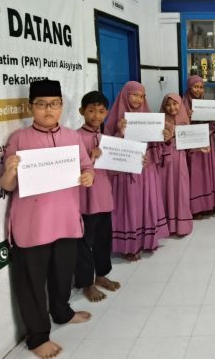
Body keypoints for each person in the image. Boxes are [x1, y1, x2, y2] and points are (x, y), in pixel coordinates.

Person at [0, 79, 94, 359]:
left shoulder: (72, 137)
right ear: (31, 107)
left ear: (62, 106)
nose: (48, 110)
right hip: (33, 225)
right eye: (41, 104)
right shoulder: (19, 139)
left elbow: (87, 167)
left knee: (62, 275)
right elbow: (6, 185)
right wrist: (10, 172)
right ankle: (38, 337)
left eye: (53, 104)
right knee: (31, 282)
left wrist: (88, 176)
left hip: (65, 221)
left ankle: (62, 312)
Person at [105, 82, 169, 260]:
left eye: (141, 96)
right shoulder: (114, 119)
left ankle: (148, 240)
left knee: (147, 204)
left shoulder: (148, 116)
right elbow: (108, 148)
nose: (138, 99)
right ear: (125, 95)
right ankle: (129, 247)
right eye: (134, 95)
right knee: (130, 206)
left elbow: (156, 145)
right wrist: (120, 132)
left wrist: (164, 137)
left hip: (146, 169)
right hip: (125, 172)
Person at [75, 91, 121, 303]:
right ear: (81, 111)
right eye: (91, 111)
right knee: (85, 243)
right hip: (85, 200)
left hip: (104, 197)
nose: (96, 115)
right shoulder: (74, 137)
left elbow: (113, 168)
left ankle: (101, 275)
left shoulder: (106, 139)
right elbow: (70, 169)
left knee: (103, 239)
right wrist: (90, 157)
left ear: (107, 113)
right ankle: (87, 283)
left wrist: (134, 161)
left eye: (101, 111)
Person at [182, 75, 215, 217]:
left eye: (201, 87)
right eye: (195, 87)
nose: (198, 90)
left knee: (207, 172)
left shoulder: (205, 104)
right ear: (189, 87)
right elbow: (179, 127)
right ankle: (196, 208)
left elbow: (213, 125)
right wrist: (187, 117)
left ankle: (209, 204)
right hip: (192, 145)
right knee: (196, 175)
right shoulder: (182, 105)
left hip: (207, 140)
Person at [159, 93, 194, 236]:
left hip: (180, 160)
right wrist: (167, 138)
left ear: (180, 105)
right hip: (165, 162)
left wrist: (200, 147)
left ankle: (182, 224)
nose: (172, 107)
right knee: (166, 190)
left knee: (181, 189)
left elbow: (190, 144)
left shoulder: (185, 121)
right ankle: (167, 224)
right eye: (168, 104)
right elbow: (156, 143)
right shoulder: (159, 121)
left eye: (175, 104)